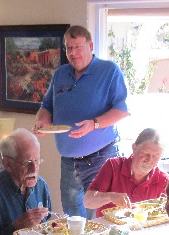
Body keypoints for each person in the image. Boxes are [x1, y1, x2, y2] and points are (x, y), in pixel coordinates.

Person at [35, 25, 129, 219]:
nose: (73, 53)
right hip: (69, 161)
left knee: (103, 217)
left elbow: (121, 110)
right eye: (68, 48)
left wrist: (94, 124)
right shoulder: (60, 74)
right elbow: (47, 107)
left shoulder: (109, 70)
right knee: (73, 219)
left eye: (77, 46)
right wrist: (42, 122)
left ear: (90, 45)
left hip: (101, 158)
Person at [84, 128, 168, 217]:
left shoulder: (163, 179)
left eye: (156, 156)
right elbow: (88, 201)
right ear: (134, 148)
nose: (149, 160)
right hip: (110, 229)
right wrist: (110, 196)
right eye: (145, 154)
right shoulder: (113, 166)